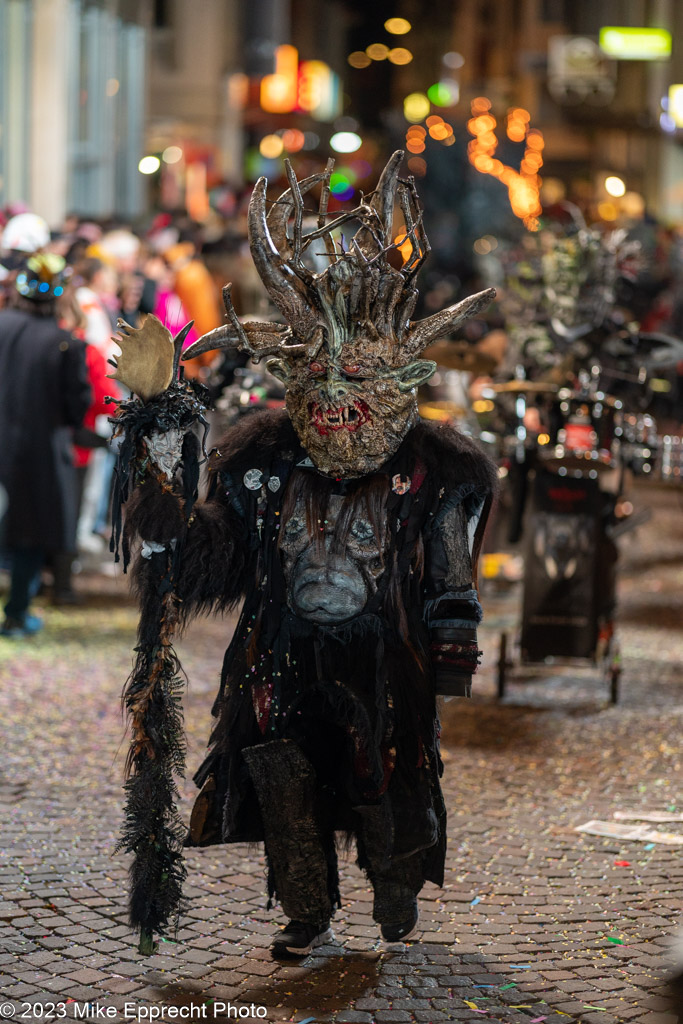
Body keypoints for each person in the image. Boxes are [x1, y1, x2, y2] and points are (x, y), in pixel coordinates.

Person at [111, 153, 496, 958]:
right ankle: (306, 908)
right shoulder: (264, 463)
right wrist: (160, 490)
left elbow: (449, 572)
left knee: (386, 779)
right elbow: (213, 553)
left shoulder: (430, 475)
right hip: (278, 656)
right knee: (282, 779)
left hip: (385, 660)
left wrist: (450, 647)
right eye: (314, 373)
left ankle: (394, 884)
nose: (334, 393)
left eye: (353, 372)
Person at [0, 254, 91, 635]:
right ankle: (17, 613)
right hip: (37, 454)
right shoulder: (65, 343)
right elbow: (78, 405)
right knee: (30, 535)